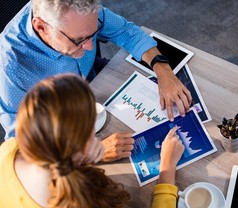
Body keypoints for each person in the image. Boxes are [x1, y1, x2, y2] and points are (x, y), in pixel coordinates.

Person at [0, 0, 192, 162]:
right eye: (79, 39)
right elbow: (20, 147)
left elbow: (126, 32)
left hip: (93, 80)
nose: (91, 45)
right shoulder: (10, 65)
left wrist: (163, 69)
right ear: (42, 27)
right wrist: (88, 154)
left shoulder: (82, 13)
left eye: (94, 33)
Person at [0, 74, 185, 208]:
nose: (96, 137)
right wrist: (167, 169)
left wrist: (83, 158)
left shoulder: (8, 149)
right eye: (91, 131)